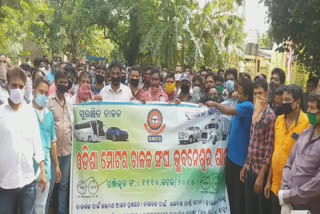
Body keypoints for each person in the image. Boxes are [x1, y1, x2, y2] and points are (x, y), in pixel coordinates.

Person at [0, 67, 46, 214]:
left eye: (20, 86)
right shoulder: (1, 113)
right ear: (8, 86)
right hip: (5, 182)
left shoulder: (29, 112)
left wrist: (43, 171)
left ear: (25, 87)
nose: (17, 89)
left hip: (28, 180)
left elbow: (37, 142)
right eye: (14, 85)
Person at [207, 78, 254, 214]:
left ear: (247, 95)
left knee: (237, 198)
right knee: (231, 195)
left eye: (239, 92)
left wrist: (214, 104)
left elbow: (227, 110)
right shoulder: (240, 103)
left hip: (239, 162)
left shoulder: (248, 106)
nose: (236, 94)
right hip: (232, 158)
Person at [264, 84, 309, 214]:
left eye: (287, 100)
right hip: (275, 187)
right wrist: (269, 181)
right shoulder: (278, 121)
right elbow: (275, 152)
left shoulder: (306, 123)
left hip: (293, 190)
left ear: (298, 102)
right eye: (283, 100)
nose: (284, 103)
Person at [278, 90, 320, 214]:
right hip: (289, 202)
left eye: (312, 108)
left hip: (309, 207)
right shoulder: (306, 132)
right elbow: (289, 162)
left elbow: (317, 184)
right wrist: (284, 192)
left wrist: (288, 196)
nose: (308, 111)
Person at [240, 79, 276, 214]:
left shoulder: (270, 116)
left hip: (261, 172)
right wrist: (246, 164)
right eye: (255, 94)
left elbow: (269, 148)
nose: (258, 96)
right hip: (250, 169)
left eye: (260, 93)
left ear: (266, 94)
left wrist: (261, 176)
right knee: (250, 209)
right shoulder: (255, 113)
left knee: (260, 210)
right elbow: (252, 141)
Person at [32, 78, 61, 214]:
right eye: (40, 92)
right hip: (30, 166)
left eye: (46, 93)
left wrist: (56, 165)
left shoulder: (49, 115)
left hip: (47, 167)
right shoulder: (26, 112)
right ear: (34, 92)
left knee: (41, 206)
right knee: (28, 206)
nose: (43, 95)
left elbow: (52, 141)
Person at [46, 69, 74, 214]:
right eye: (61, 82)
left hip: (68, 151)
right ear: (55, 83)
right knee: (50, 186)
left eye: (66, 82)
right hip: (52, 153)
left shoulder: (70, 101)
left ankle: (62, 211)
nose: (64, 84)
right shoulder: (48, 101)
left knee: (64, 185)